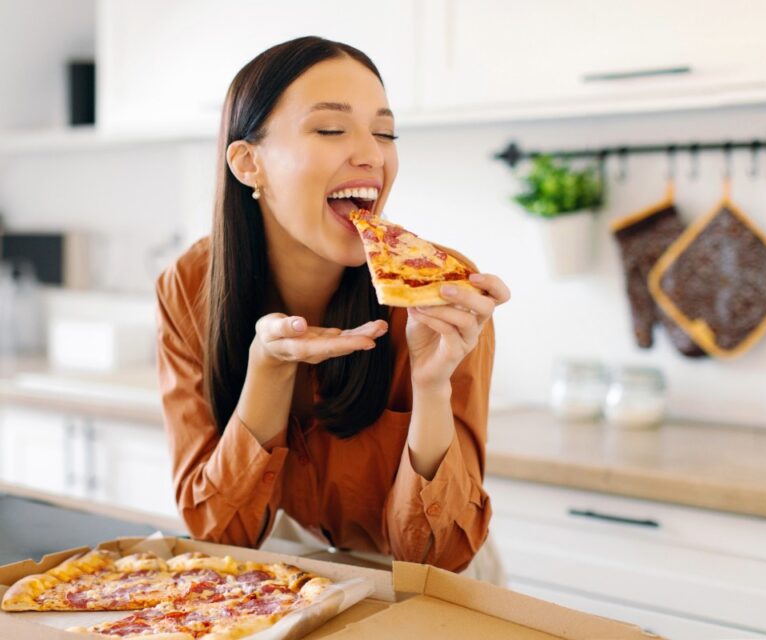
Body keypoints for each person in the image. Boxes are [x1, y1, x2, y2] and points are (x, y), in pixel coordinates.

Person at [155, 36, 510, 574]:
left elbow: (437, 561)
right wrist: (267, 372)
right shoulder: (189, 287)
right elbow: (219, 535)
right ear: (249, 163)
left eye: (385, 132)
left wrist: (432, 385)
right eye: (330, 129)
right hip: (295, 574)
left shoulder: (439, 293)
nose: (372, 154)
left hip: (434, 589)